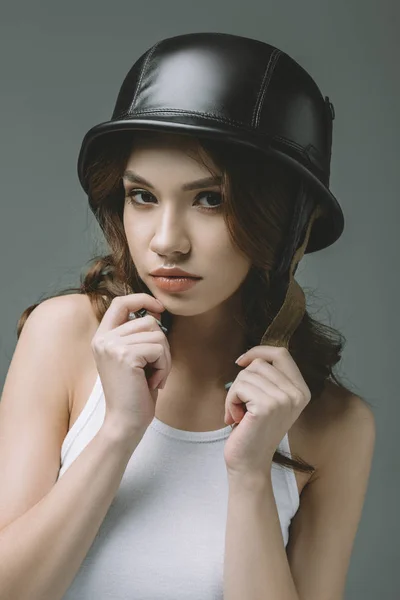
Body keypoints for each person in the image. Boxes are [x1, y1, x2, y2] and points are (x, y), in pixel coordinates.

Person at [0, 33, 375, 599]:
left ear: (284, 222)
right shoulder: (64, 335)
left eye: (210, 200)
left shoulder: (334, 426)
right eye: (142, 196)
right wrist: (119, 432)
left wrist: (250, 476)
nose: (167, 242)